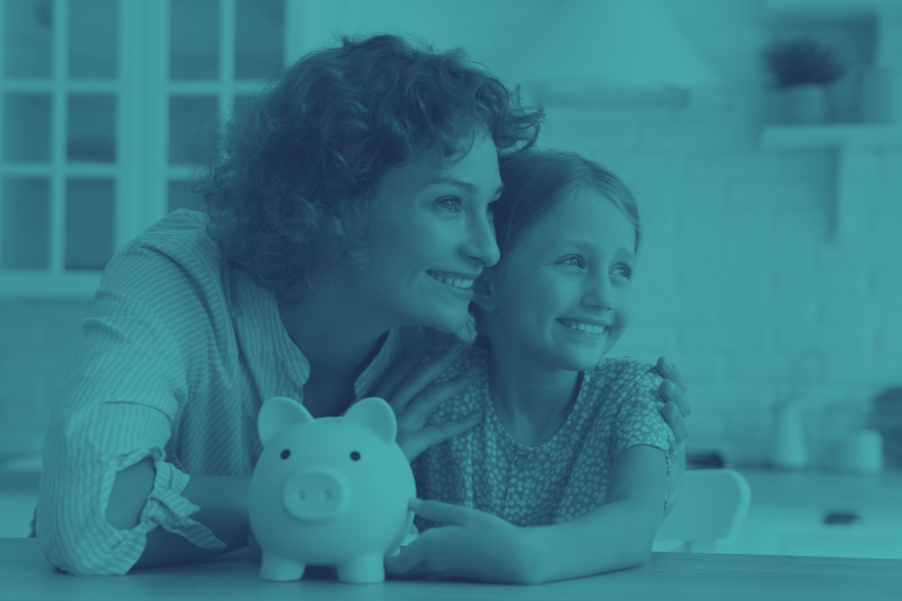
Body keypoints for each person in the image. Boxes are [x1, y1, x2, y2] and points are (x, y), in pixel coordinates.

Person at [36, 34, 691, 576]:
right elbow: (87, 515)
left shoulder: (451, 335)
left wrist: (640, 427)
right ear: (335, 204)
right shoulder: (174, 277)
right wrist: (352, 477)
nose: (489, 249)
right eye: (447, 203)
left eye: (489, 207)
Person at [385, 150, 680, 584]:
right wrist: (382, 456)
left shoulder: (633, 391)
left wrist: (523, 556)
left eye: (621, 270)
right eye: (573, 262)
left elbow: (636, 524)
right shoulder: (432, 391)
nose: (603, 296)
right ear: (487, 282)